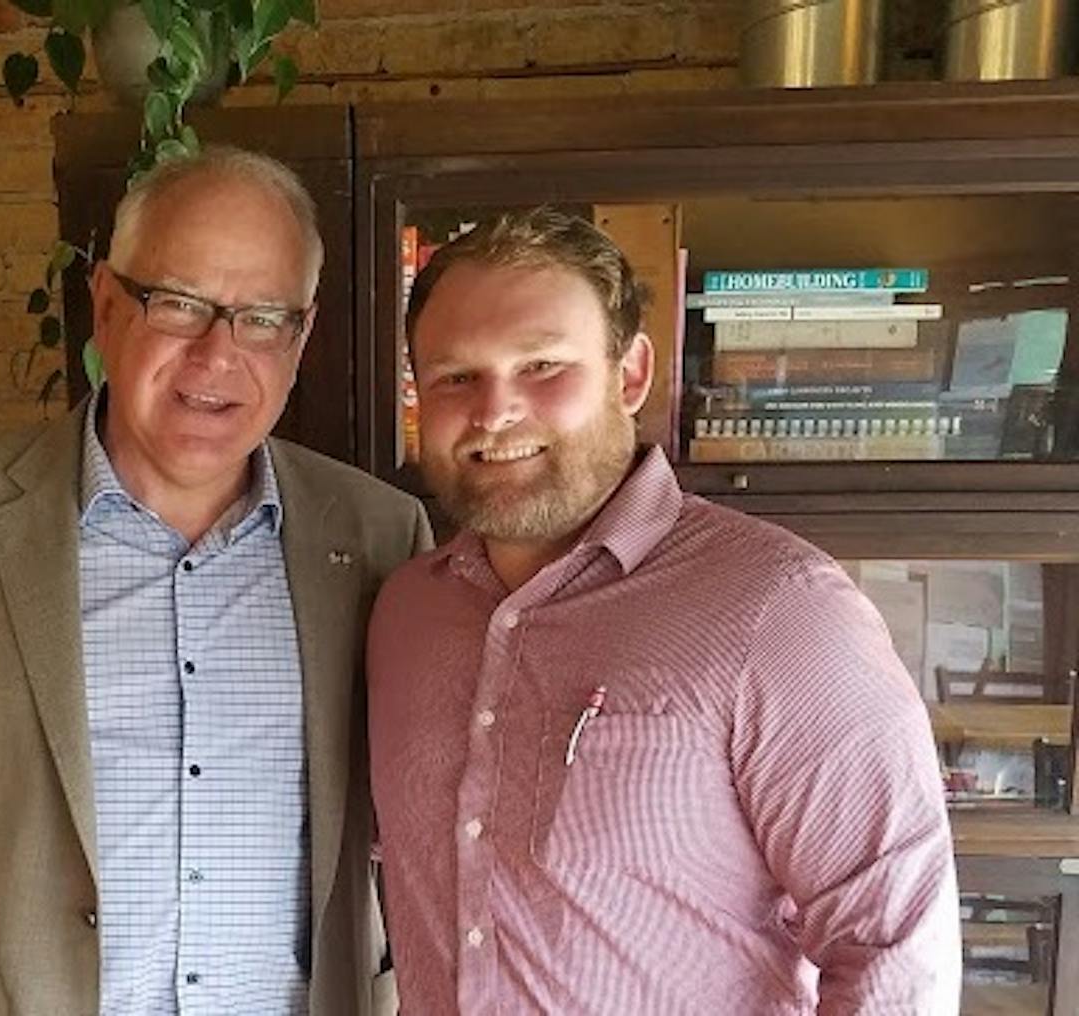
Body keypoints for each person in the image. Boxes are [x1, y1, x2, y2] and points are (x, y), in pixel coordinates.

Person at [0, 146, 431, 1016]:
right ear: (105, 306)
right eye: (179, 304)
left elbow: (424, 844)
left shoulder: (379, 537)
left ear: (301, 339)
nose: (218, 355)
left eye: (260, 318)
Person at [367, 207, 960, 1013]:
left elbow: (896, 958)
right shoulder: (405, 614)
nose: (495, 411)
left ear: (631, 374)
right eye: (455, 376)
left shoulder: (781, 611)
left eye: (542, 365)